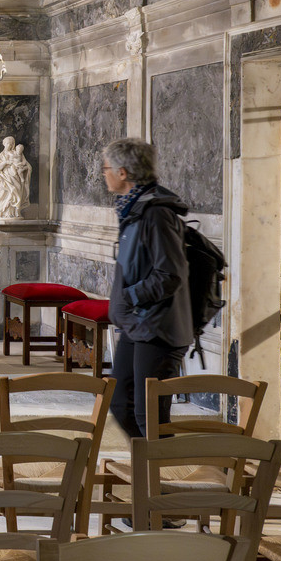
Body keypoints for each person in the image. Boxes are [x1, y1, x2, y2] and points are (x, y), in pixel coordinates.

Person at [102, 137, 193, 440]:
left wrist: (128, 297)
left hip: (158, 327)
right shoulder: (133, 211)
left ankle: (163, 482)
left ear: (123, 172)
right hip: (138, 325)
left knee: (149, 416)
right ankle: (151, 476)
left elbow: (170, 274)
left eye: (107, 168)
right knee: (120, 404)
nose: (105, 174)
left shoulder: (156, 214)